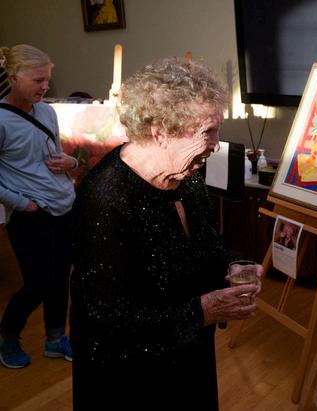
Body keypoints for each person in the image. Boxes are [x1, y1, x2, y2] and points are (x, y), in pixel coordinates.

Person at [69, 57, 262, 410]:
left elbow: (205, 245)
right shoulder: (105, 198)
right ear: (160, 133)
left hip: (186, 352)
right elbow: (109, 317)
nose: (216, 144)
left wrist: (231, 265)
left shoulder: (187, 177)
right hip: (131, 375)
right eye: (207, 132)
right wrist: (203, 311)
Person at [0, 44, 76, 369]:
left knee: (60, 279)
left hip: (64, 207)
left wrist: (72, 162)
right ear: (13, 77)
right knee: (38, 283)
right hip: (31, 214)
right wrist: (23, 204)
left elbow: (56, 156)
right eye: (37, 80)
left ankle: (55, 339)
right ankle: (7, 336)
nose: (45, 87)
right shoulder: (1, 120)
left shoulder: (47, 112)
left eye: (47, 79)